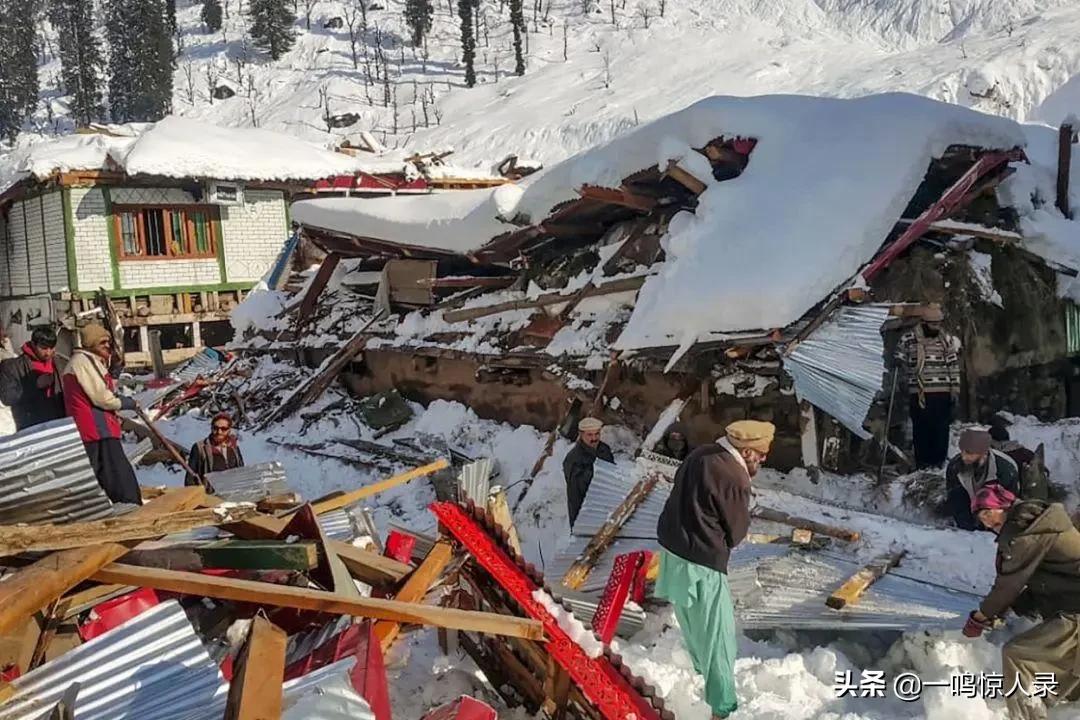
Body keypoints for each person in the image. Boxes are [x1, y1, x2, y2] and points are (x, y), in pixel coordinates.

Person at [655, 419, 775, 720]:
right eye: (760, 454)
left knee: (692, 620)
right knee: (718, 635)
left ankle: (700, 670)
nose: (764, 459)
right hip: (702, 560)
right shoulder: (734, 476)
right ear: (746, 452)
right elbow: (736, 534)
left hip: (672, 550)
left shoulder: (700, 454)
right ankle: (721, 708)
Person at [963, 484, 1080, 720]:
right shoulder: (1037, 524)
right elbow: (1041, 581)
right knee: (1067, 665)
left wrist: (980, 618)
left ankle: (1026, 716)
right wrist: (1011, 608)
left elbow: (1008, 584)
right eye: (981, 517)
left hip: (1075, 611)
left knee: (1017, 654)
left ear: (1005, 507)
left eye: (988, 512)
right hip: (1071, 603)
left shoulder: (1026, 534)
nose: (986, 523)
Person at [62, 323, 142, 505]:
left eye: (108, 342)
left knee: (101, 472)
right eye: (102, 342)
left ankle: (106, 505)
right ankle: (129, 506)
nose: (107, 345)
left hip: (97, 428)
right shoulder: (82, 362)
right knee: (117, 472)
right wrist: (126, 403)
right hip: (96, 428)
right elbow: (102, 397)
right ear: (91, 344)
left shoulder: (91, 361)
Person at [894, 307, 961, 468]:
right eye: (933, 324)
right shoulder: (908, 339)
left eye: (938, 324)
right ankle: (923, 462)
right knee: (921, 427)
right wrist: (900, 363)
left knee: (940, 428)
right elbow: (899, 356)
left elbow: (953, 365)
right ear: (923, 323)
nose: (936, 328)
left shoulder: (946, 339)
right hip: (919, 393)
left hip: (941, 392)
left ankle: (938, 462)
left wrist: (955, 389)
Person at [945, 428, 1020, 530]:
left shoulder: (1005, 468)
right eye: (962, 451)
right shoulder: (955, 466)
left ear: (983, 453)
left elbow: (1010, 500)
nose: (964, 457)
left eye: (969, 453)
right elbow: (953, 497)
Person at [0, 326, 66, 431]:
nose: (48, 353)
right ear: (33, 345)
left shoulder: (59, 363)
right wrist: (35, 385)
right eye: (43, 348)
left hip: (59, 421)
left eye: (51, 347)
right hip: (31, 425)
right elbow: (8, 398)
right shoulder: (12, 366)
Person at [562, 417, 614, 527]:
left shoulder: (604, 450)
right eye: (590, 435)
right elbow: (577, 493)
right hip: (586, 513)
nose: (594, 438)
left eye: (597, 434)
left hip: (606, 508)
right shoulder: (573, 460)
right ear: (581, 435)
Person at [186, 412, 245, 486]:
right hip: (209, 495)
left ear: (229, 430)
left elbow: (242, 471)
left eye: (223, 429)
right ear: (211, 428)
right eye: (215, 428)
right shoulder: (200, 448)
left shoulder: (234, 447)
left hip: (232, 491)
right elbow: (190, 478)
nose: (219, 432)